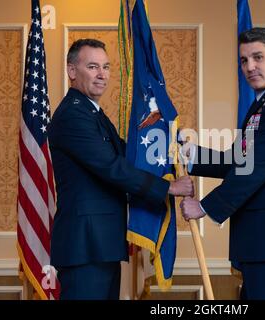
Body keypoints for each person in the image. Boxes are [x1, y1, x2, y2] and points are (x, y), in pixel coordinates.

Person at [47, 39, 193, 300]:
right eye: (93, 67)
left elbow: (129, 153)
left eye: (106, 67)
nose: (102, 75)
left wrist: (167, 143)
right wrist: (168, 187)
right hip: (86, 246)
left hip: (100, 243)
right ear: (72, 71)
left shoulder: (94, 113)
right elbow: (112, 167)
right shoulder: (73, 115)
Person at [180, 28, 265, 300]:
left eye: (258, 57)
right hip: (259, 239)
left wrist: (204, 206)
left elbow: (256, 167)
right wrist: (191, 154)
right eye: (244, 60)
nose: (250, 67)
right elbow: (241, 159)